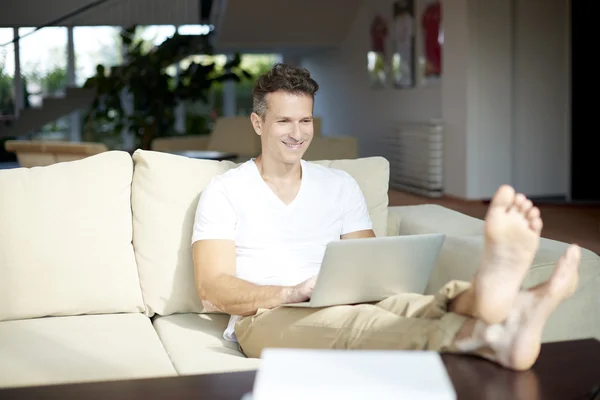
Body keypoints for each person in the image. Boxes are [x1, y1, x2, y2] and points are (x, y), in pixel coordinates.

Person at [191, 63, 581, 371]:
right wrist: (288, 293)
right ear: (258, 123)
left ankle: (484, 299)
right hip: (265, 318)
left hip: (344, 303)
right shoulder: (226, 191)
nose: (297, 133)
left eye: (305, 120)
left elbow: (370, 269)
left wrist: (364, 288)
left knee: (412, 306)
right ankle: (490, 327)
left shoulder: (340, 185)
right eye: (284, 121)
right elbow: (212, 288)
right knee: (361, 329)